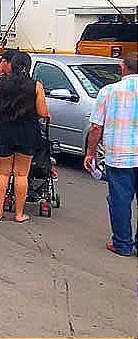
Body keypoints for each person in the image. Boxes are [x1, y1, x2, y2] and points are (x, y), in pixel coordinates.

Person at [85, 51, 138, 256]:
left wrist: (91, 153)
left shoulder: (109, 91)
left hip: (120, 156)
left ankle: (122, 244)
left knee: (120, 200)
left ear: (123, 67)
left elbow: (96, 127)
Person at [0, 51, 49, 223]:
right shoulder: (36, 85)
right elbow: (43, 112)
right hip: (27, 132)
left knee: (2, 172)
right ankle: (19, 214)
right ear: (28, 67)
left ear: (12, 65)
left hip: (4, 131)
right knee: (21, 174)